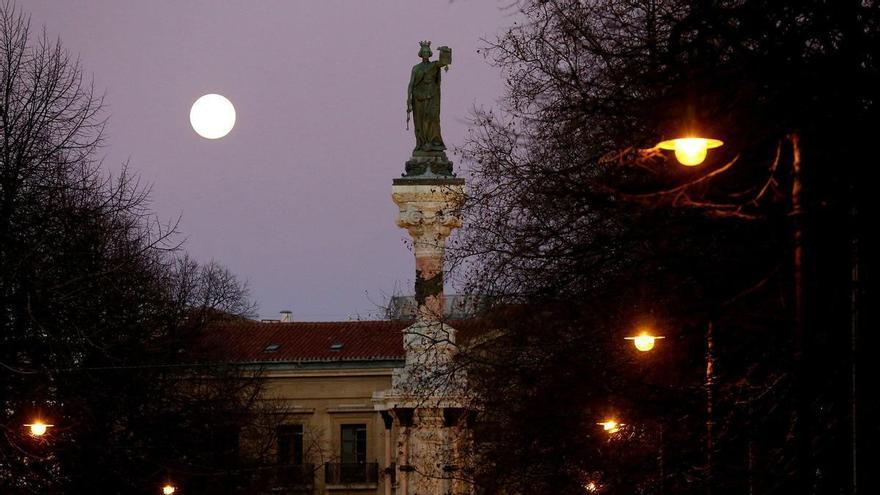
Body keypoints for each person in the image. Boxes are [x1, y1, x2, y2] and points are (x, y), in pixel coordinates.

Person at [407, 41, 450, 153]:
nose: (425, 54)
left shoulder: (434, 65)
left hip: (431, 97)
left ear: (429, 53)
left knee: (431, 119)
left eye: (427, 52)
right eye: (424, 52)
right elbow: (411, 85)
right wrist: (408, 101)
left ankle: (433, 142)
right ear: (421, 54)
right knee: (420, 122)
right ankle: (421, 143)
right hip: (418, 98)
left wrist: (444, 51)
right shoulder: (416, 68)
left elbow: (442, 62)